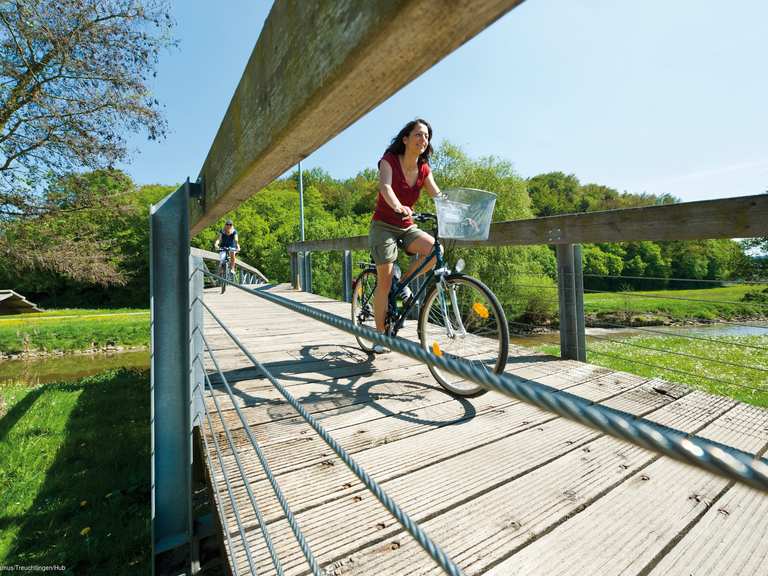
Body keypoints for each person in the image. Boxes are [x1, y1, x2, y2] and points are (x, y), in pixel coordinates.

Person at [368, 119, 443, 353]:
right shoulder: (389, 160)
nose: (424, 140)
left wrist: (458, 214)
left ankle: (402, 284)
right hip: (383, 225)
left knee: (435, 251)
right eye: (419, 135)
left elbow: (438, 196)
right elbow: (385, 187)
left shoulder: (423, 169)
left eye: (427, 137)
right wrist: (399, 206)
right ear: (406, 139)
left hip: (407, 225)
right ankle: (380, 335)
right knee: (384, 280)